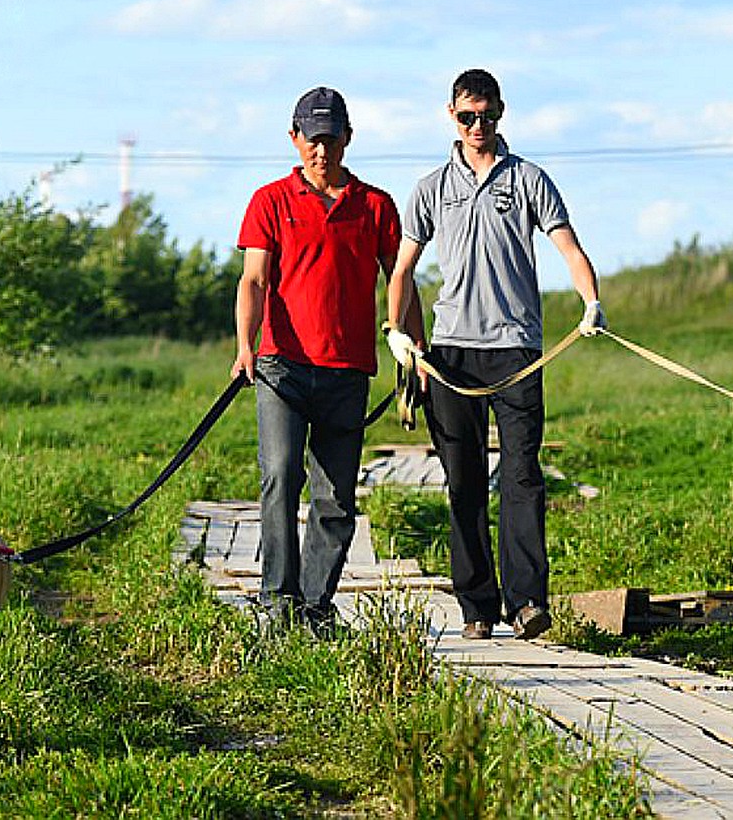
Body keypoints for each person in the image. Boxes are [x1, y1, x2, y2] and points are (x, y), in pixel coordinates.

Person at [385, 68, 606, 641]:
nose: (478, 126)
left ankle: (528, 601)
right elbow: (404, 268)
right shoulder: (432, 188)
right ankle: (476, 605)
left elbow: (569, 248)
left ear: (501, 113)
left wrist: (591, 302)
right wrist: (397, 331)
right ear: (451, 116)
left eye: (487, 115)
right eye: (467, 117)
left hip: (516, 351)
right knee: (461, 480)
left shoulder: (529, 179)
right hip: (451, 354)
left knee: (522, 475)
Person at [233, 85, 421, 634]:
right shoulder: (270, 201)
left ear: (347, 139)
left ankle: (314, 608)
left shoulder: (376, 206)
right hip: (281, 367)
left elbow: (402, 282)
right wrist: (246, 346)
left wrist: (415, 353)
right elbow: (253, 279)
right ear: (295, 139)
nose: (321, 150)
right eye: (312, 139)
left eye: (331, 139)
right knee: (280, 476)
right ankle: (277, 605)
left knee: (336, 496)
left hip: (346, 370)